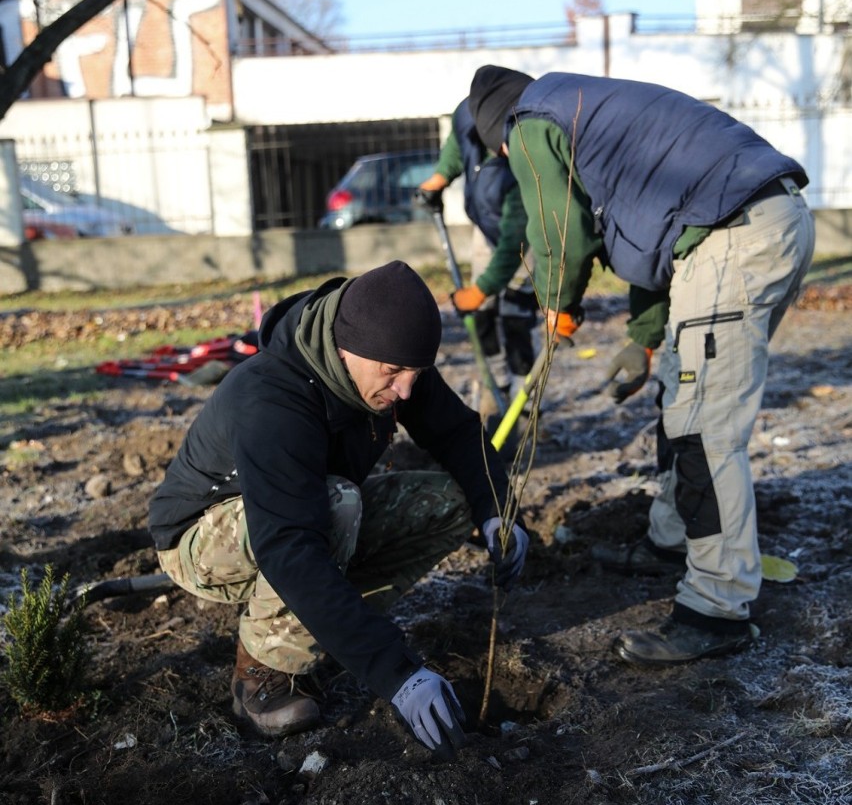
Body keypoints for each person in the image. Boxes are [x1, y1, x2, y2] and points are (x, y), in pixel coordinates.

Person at [462, 65, 815, 666]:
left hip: (734, 241)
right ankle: (673, 537)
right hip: (752, 227)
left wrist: (557, 305)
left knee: (705, 429)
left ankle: (716, 606)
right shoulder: (586, 109)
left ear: (497, 134)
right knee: (684, 403)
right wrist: (646, 338)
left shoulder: (528, 124)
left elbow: (559, 232)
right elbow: (663, 222)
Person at [148, 260, 528, 755]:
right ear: (348, 350)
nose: (406, 390)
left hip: (302, 516)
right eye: (394, 374)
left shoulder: (389, 359)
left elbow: (457, 432)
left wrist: (497, 509)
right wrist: (399, 675)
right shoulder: (273, 399)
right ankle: (263, 671)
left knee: (449, 501)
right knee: (337, 505)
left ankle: (328, 625)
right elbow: (288, 548)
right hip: (202, 538)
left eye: (416, 373)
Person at [418, 82, 538, 412]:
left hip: (528, 237)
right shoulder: (468, 115)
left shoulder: (524, 151)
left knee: (517, 316)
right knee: (481, 313)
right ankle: (495, 385)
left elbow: (516, 240)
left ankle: (525, 399)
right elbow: (457, 147)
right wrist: (440, 177)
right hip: (486, 228)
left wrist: (482, 288)